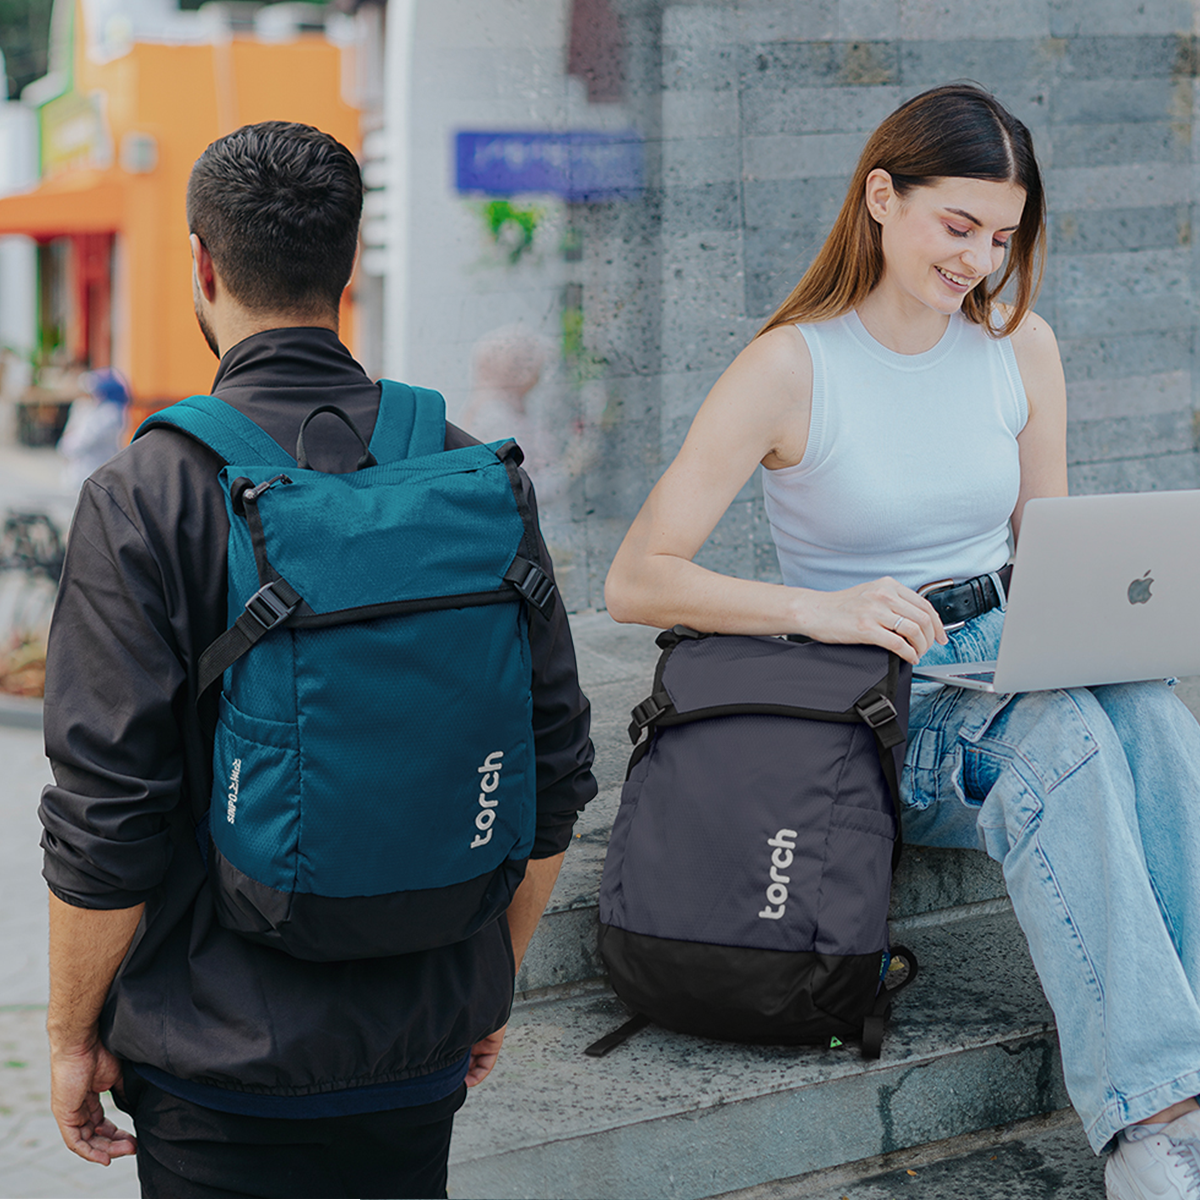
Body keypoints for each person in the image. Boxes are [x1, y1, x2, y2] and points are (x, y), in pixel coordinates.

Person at [605, 83, 1200, 1200]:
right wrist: (817, 608)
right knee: (1060, 744)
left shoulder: (1022, 350)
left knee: (1160, 726)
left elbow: (1050, 549)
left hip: (1005, 651)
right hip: (868, 697)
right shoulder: (792, 366)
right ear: (883, 196)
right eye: (958, 225)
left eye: (1003, 236)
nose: (980, 258)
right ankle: (1154, 1125)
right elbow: (639, 575)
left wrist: (1117, 617)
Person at [39, 121, 596, 1199]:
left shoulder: (145, 494)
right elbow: (556, 768)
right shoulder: (468, 472)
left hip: (217, 1066)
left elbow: (107, 818)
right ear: (348, 267)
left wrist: (71, 1038)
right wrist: (484, 985)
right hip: (422, 1045)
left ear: (202, 263)